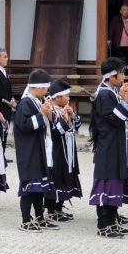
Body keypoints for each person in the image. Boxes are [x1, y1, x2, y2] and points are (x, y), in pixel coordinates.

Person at [89, 58, 128, 238]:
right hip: (108, 145)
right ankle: (104, 225)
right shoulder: (104, 94)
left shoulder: (112, 91)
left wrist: (127, 98)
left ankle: (113, 221)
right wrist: (124, 101)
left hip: (116, 144)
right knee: (107, 184)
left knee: (115, 183)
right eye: (122, 73)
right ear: (112, 76)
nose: (124, 77)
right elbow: (114, 119)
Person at [13, 68, 56, 233]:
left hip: (39, 149)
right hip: (28, 151)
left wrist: (48, 114)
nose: (47, 91)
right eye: (45, 88)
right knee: (29, 186)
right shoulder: (25, 102)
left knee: (40, 186)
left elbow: (45, 123)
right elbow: (24, 125)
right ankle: (25, 220)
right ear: (37, 87)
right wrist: (42, 114)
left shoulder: (37, 101)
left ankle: (39, 217)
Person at [45, 79, 80, 224]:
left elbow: (76, 126)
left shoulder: (64, 109)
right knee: (56, 177)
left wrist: (73, 117)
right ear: (58, 97)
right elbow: (53, 133)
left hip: (68, 149)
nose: (69, 98)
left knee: (67, 175)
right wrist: (65, 121)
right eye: (66, 95)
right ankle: (51, 210)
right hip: (56, 150)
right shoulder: (50, 110)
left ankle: (59, 208)